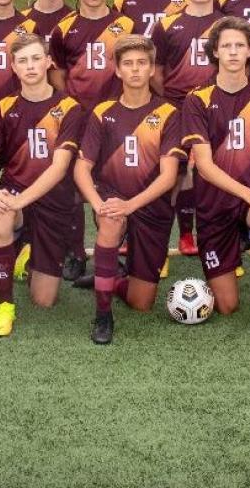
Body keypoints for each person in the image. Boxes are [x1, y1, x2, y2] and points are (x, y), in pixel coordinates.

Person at [181, 16, 250, 340]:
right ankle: (237, 244)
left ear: (249, 52)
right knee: (227, 305)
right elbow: (203, 166)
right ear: (215, 51)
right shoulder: (197, 100)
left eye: (239, 46)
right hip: (214, 206)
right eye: (226, 46)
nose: (233, 52)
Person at [73, 35, 185, 344]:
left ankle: (110, 280)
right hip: (112, 200)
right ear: (118, 71)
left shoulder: (169, 114)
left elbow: (168, 176)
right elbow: (81, 169)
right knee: (110, 219)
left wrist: (130, 205)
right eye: (128, 64)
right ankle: (103, 313)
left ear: (151, 69)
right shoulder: (103, 112)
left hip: (151, 206)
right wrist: (99, 205)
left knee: (142, 302)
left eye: (142, 63)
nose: (135, 70)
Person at [0, 33, 85, 337]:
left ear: (49, 61)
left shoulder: (69, 108)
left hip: (54, 201)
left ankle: (26, 251)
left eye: (37, 58)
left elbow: (59, 167)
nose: (31, 66)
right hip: (14, 193)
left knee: (44, 300)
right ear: (13, 67)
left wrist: (19, 200)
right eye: (23, 60)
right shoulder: (3, 107)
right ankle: (4, 305)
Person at [50, 0, 138, 278]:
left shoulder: (125, 25)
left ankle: (117, 252)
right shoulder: (64, 29)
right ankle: (75, 252)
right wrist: (71, 107)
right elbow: (58, 74)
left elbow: (135, 67)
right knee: (74, 185)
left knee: (116, 182)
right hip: (79, 118)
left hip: (117, 117)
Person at [149, 0, 225, 258]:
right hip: (177, 105)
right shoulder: (167, 24)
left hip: (215, 106)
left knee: (213, 171)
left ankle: (215, 239)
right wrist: (172, 99)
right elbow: (157, 71)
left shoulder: (225, 24)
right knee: (176, 171)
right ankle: (176, 236)